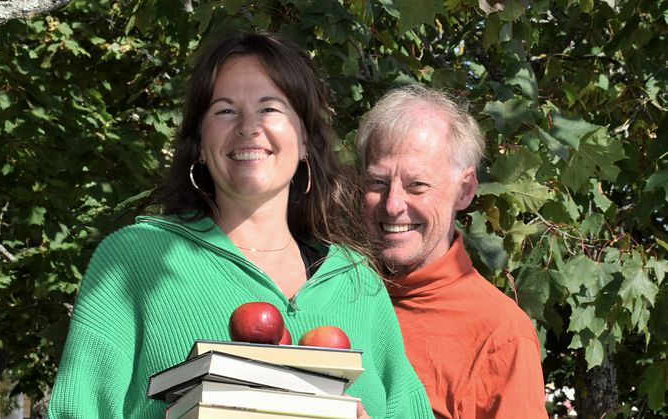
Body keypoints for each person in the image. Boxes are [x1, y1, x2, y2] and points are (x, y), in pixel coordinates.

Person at [47, 32, 433, 418]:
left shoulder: (358, 283)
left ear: (304, 142)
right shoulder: (132, 262)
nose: (249, 127)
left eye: (270, 109)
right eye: (225, 110)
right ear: (199, 141)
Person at [356, 84, 548, 418]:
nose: (393, 204)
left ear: (465, 190)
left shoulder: (500, 335)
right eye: (377, 183)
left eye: (418, 185)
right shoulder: (329, 291)